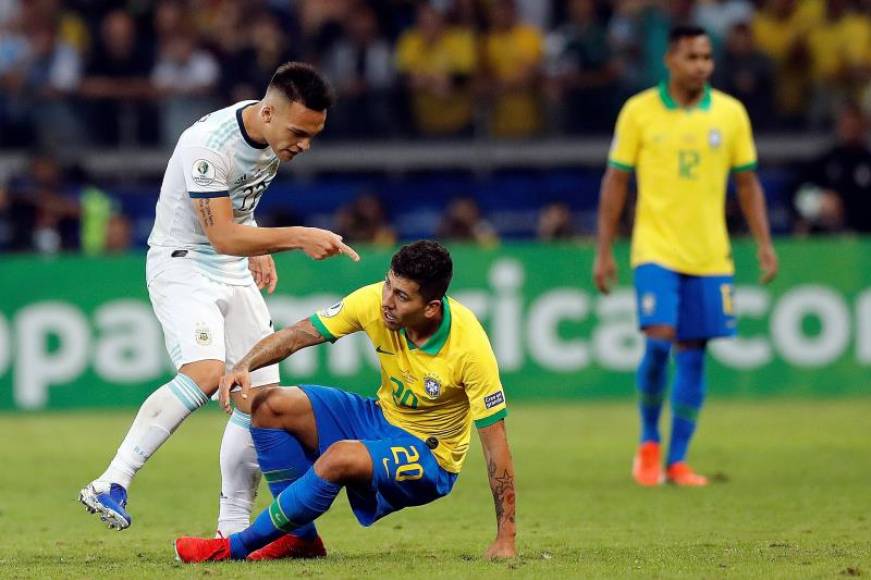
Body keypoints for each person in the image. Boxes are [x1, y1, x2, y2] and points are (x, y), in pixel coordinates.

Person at [79, 62, 360, 540]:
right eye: (298, 132)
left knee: (262, 401)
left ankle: (230, 532)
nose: (304, 144)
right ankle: (111, 481)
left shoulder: (272, 138)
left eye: (313, 135)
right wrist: (292, 238)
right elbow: (221, 233)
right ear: (268, 112)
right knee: (207, 373)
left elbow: (238, 214)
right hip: (183, 263)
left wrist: (257, 245)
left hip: (230, 266)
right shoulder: (209, 147)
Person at [174, 241, 517, 562]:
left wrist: (506, 538)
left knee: (340, 456)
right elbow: (300, 333)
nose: (387, 301)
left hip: (430, 455)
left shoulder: (469, 347)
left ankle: (235, 547)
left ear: (430, 308)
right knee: (267, 404)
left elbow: (495, 444)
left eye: (401, 296)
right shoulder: (375, 303)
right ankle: (299, 539)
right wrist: (245, 364)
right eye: (387, 285)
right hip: (381, 418)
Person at [593, 25, 778, 487]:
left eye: (707, 58)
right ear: (670, 60)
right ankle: (649, 443)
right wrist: (604, 250)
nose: (702, 66)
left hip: (711, 255)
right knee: (658, 343)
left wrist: (764, 243)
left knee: (693, 356)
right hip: (655, 248)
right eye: (693, 57)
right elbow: (616, 181)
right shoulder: (638, 111)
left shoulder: (731, 114)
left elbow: (748, 183)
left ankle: (677, 462)